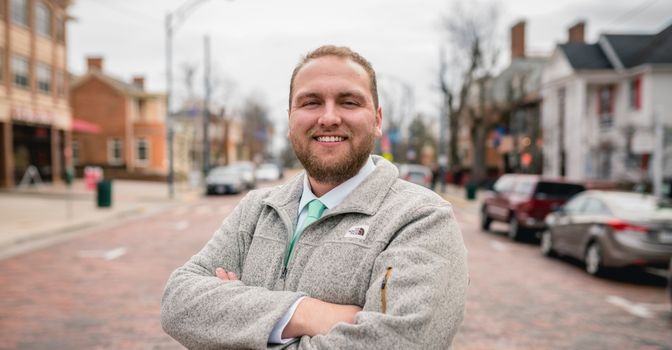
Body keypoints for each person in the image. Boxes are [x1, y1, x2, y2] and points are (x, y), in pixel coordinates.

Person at [161, 45, 469, 349]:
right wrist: (308, 313)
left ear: (377, 120)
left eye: (348, 102)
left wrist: (232, 320)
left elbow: (398, 342)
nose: (329, 118)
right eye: (311, 103)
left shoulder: (423, 219)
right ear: (290, 119)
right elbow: (178, 302)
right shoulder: (256, 209)